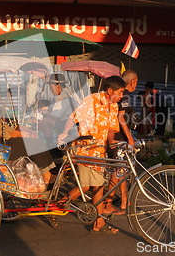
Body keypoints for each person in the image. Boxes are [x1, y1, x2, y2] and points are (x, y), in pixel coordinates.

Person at [57, 76, 126, 234]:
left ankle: (60, 204)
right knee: (98, 186)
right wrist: (64, 132)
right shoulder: (92, 100)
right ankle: (99, 222)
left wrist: (114, 143)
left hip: (100, 152)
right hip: (86, 149)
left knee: (87, 187)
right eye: (120, 92)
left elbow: (110, 130)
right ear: (109, 91)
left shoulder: (114, 106)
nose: (122, 96)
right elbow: (73, 117)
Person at [106, 70, 139, 214]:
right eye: (136, 82)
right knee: (118, 171)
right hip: (117, 137)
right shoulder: (123, 93)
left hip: (118, 136)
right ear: (132, 81)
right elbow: (121, 117)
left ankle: (124, 201)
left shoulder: (121, 93)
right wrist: (130, 138)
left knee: (121, 170)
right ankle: (107, 204)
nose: (136, 85)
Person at [39, 74, 79, 148]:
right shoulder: (69, 93)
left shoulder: (63, 97)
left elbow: (55, 115)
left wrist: (46, 112)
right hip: (73, 123)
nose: (51, 90)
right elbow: (57, 107)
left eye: (51, 88)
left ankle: (49, 145)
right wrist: (48, 108)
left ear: (58, 86)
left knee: (45, 121)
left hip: (69, 125)